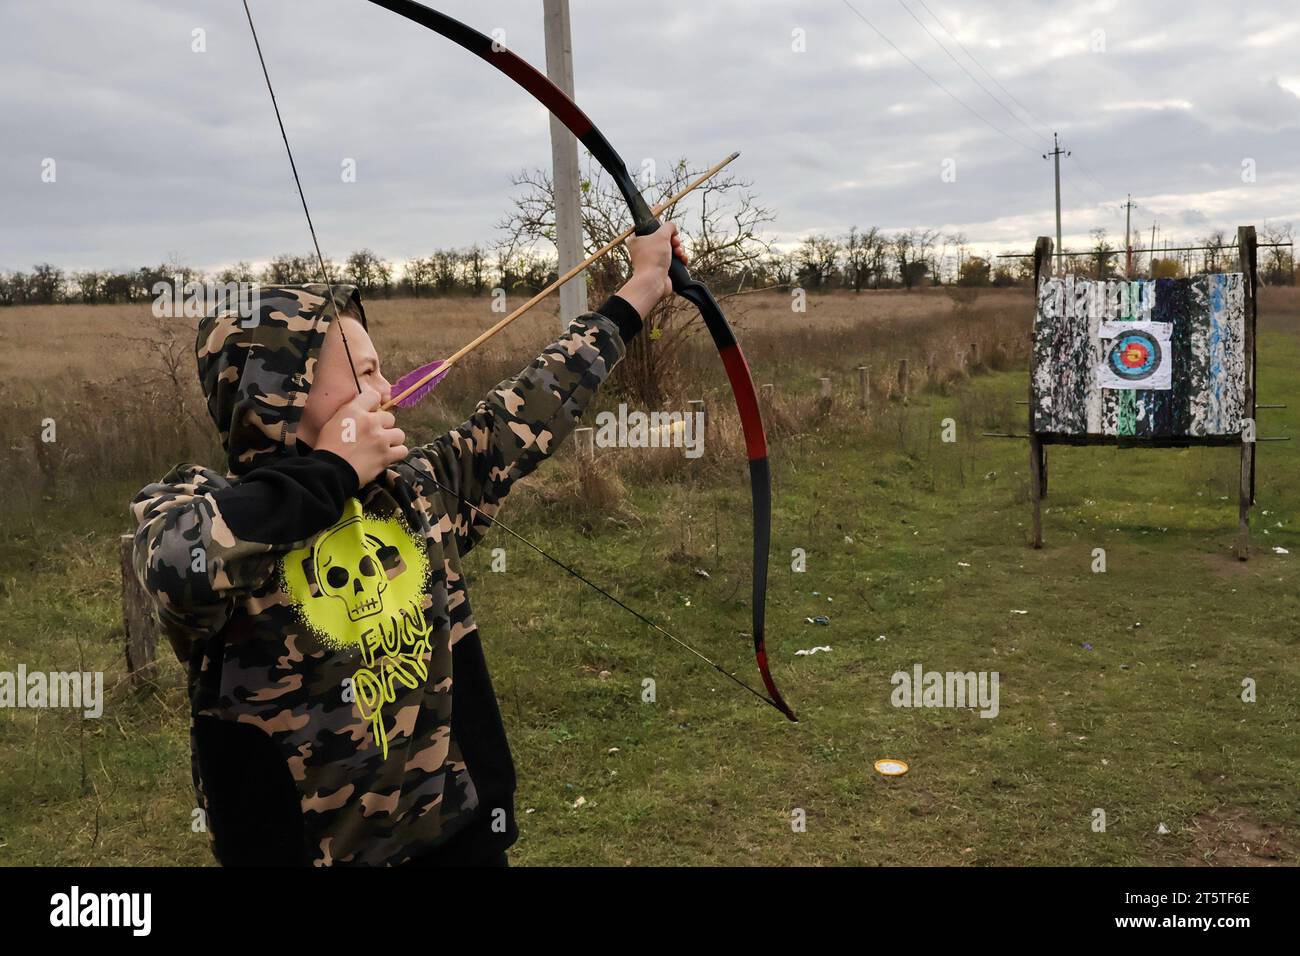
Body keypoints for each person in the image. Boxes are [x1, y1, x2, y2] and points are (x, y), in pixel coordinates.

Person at [131, 223, 688, 866]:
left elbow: (531, 406)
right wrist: (331, 472)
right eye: (364, 372)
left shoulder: (413, 490)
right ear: (281, 394)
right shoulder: (195, 512)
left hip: (458, 842)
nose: (387, 388)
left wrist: (643, 286)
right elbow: (175, 568)